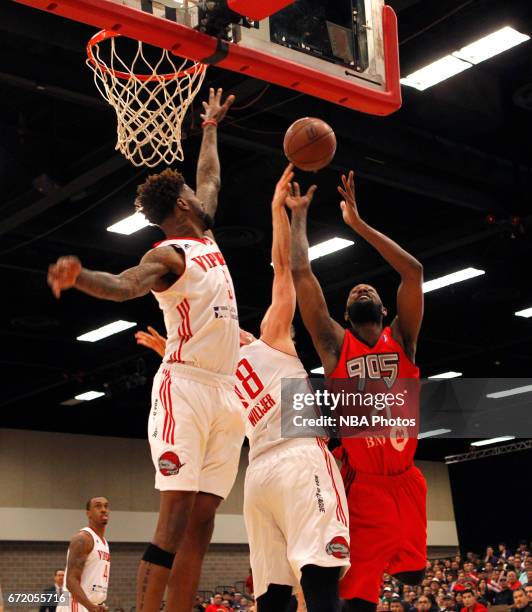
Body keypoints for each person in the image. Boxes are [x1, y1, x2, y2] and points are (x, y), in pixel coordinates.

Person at [48, 88, 244, 612]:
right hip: (186, 387)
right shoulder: (170, 255)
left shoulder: (205, 236)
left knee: (203, 523)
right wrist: (82, 277)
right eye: (191, 193)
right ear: (182, 204)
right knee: (175, 516)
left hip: (227, 394)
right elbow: (125, 285)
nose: (201, 195)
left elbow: (212, 178)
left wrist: (210, 128)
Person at [137, 166, 350, 612]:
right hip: (299, 456)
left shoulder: (222, 372)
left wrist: (167, 353)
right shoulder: (270, 336)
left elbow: (193, 373)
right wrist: (283, 214)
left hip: (257, 477)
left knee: (272, 590)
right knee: (320, 571)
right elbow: (284, 272)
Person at [288, 168, 426, 612]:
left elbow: (414, 271)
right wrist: (297, 218)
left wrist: (358, 224)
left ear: (384, 310)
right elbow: (301, 273)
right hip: (364, 487)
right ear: (346, 317)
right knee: (357, 595)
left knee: (414, 575)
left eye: (368, 289)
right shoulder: (334, 346)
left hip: (408, 482)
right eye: (353, 293)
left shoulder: (403, 338)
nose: (361, 287)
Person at [56, 497, 110, 612]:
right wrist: (90, 606)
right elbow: (71, 581)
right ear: (88, 514)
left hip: (91, 605)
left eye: (106, 506)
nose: (103, 509)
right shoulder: (83, 539)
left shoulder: (104, 542)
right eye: (98, 506)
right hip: (75, 603)